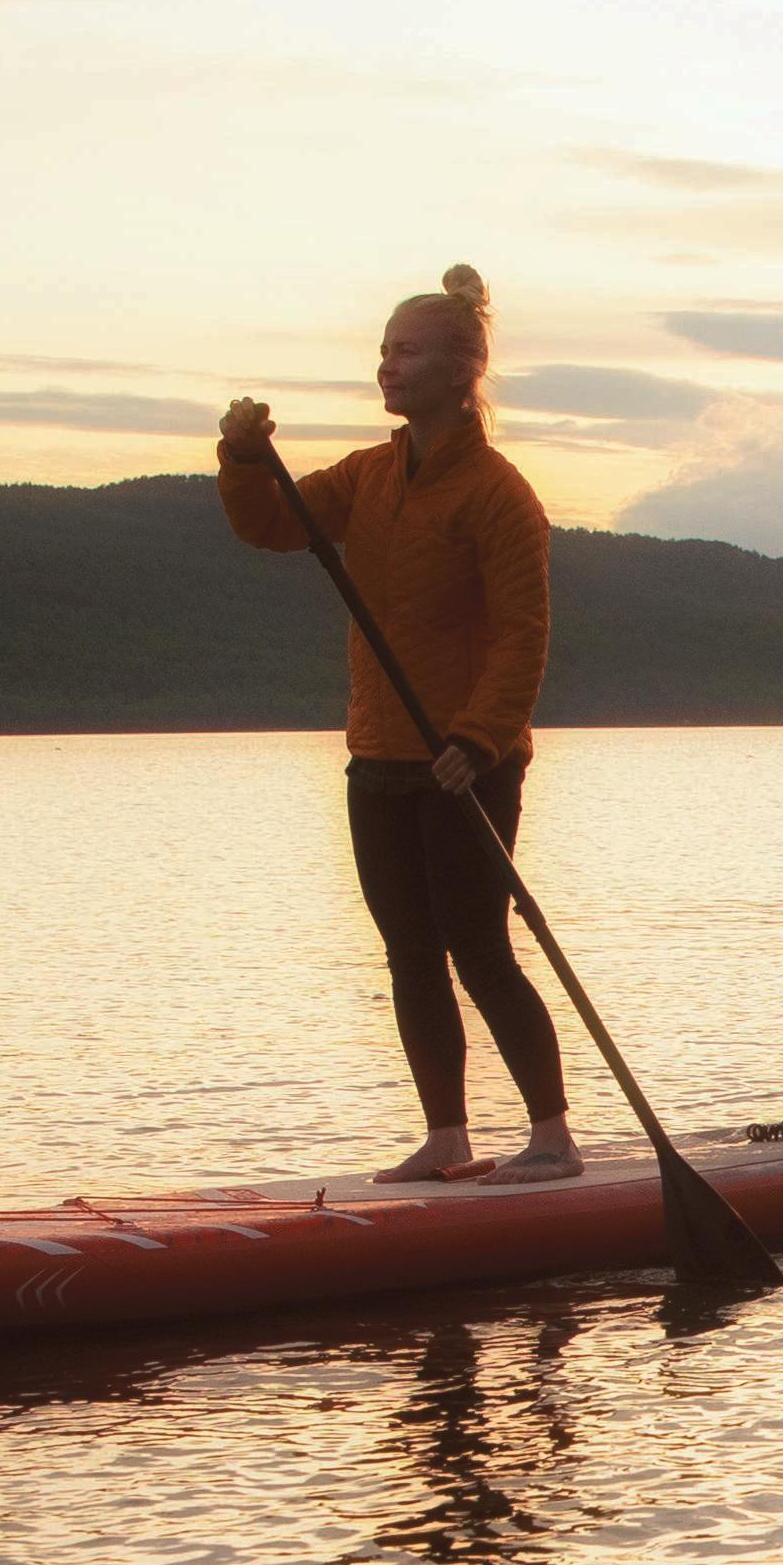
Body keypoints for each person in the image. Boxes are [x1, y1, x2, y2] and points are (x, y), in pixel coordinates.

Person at [218, 265, 578, 1183]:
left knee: (480, 946)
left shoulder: (500, 496)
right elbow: (273, 527)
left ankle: (551, 1136)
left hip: (466, 763)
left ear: (462, 371)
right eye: (382, 350)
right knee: (409, 950)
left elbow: (522, 635)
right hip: (379, 754)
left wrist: (478, 738)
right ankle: (448, 1138)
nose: (386, 366)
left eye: (406, 350)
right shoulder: (371, 476)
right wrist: (243, 456)